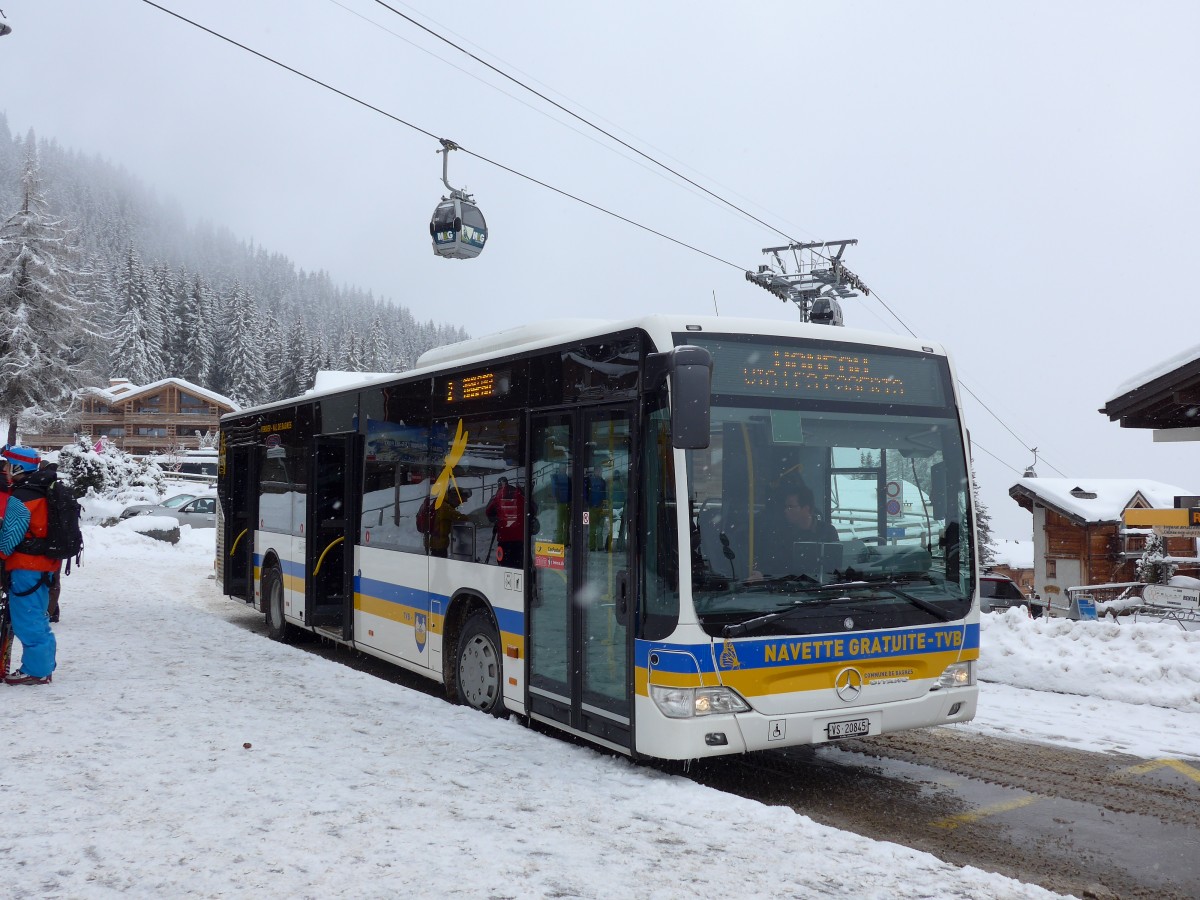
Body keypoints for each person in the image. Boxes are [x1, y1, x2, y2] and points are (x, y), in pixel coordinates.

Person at [0, 446, 58, 685]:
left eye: (7, 463)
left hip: (27, 567)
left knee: (28, 619)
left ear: (18, 467)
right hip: (44, 565)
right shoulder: (43, 489)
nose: (4, 469)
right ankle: (43, 666)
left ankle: (37, 671)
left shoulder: (22, 497)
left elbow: (9, 539)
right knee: (38, 618)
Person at [751, 480, 839, 579]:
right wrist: (761, 574)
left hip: (819, 591)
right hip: (786, 590)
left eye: (790, 507)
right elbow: (772, 565)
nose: (785, 511)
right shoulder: (780, 533)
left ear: (806, 508)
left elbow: (835, 569)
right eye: (786, 507)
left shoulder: (828, 532)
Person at [485, 476, 526, 568]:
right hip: (519, 538)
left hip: (504, 539)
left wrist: (497, 518)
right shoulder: (520, 494)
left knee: (504, 564)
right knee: (519, 564)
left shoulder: (497, 496)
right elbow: (533, 509)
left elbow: (488, 512)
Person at [422, 487, 470, 558]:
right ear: (454, 497)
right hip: (438, 544)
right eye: (459, 501)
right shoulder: (444, 507)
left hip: (438, 542)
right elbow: (459, 517)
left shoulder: (443, 503)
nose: (459, 503)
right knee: (440, 565)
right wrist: (473, 518)